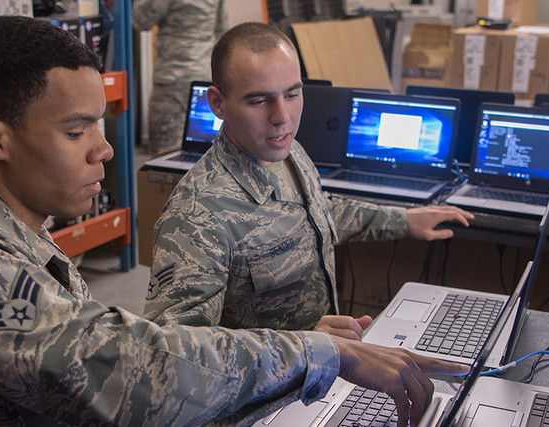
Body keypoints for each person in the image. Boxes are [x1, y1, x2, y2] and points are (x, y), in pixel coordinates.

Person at [0, 16, 466, 427]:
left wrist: (304, 339)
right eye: (77, 131)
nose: (105, 150)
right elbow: (135, 374)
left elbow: (98, 341)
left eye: (100, 124)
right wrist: (319, 354)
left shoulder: (14, 232)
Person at [145, 22, 475, 334]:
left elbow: (317, 212)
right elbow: (177, 358)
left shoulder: (289, 151)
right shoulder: (195, 216)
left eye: (292, 94)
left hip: (325, 370)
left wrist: (403, 220)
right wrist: (302, 345)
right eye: (259, 100)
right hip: (274, 390)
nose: (282, 117)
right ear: (217, 103)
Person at [133, 0, 229, 155]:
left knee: (166, 153)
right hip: (203, 79)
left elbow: (140, 20)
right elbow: (222, 29)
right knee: (200, 150)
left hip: (172, 81)